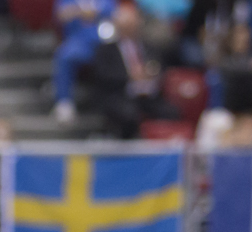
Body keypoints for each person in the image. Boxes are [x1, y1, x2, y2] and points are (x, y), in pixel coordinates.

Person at [90, 3, 180, 139]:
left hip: (148, 95)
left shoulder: (150, 47)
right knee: (129, 114)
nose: (130, 27)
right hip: (121, 95)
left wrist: (151, 74)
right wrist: (130, 76)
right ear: (118, 25)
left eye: (132, 23)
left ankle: (162, 151)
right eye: (126, 24)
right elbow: (103, 76)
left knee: (172, 112)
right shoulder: (106, 50)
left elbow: (160, 68)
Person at [52, 0, 114, 122]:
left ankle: (114, 99)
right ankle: (64, 102)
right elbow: (61, 15)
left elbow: (113, 11)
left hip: (104, 41)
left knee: (118, 55)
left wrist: (92, 11)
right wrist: (80, 11)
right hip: (79, 41)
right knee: (65, 55)